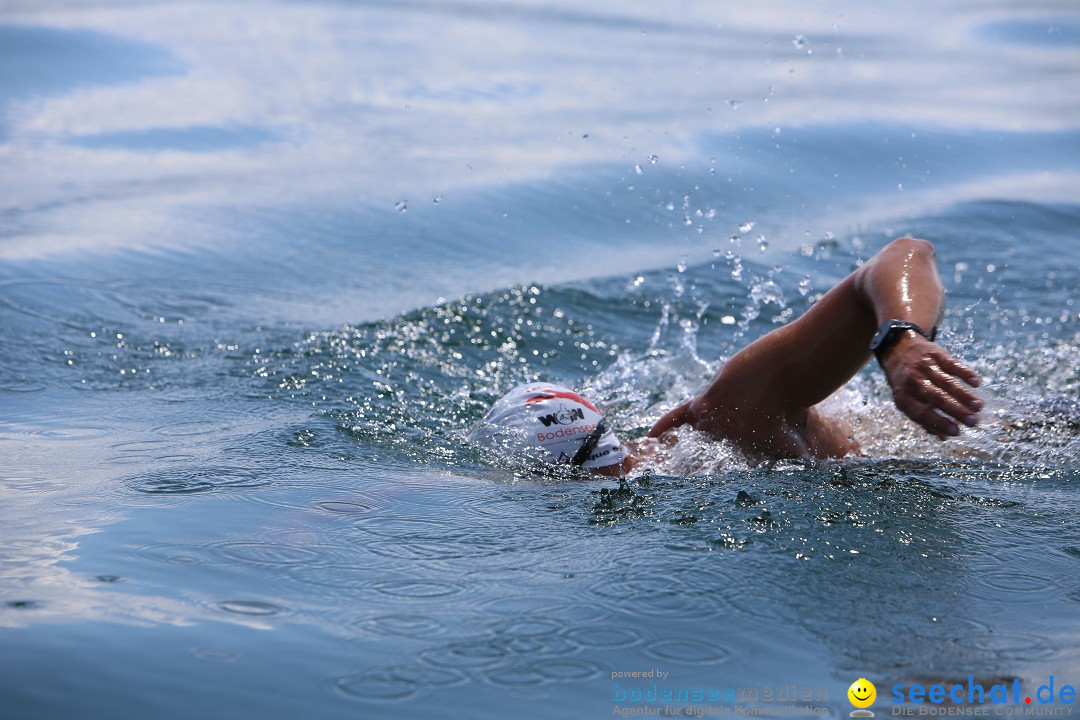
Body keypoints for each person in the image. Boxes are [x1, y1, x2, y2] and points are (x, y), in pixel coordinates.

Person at [469, 237, 984, 476]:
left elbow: (906, 253)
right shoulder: (673, 452)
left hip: (982, 440)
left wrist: (902, 340)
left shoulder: (730, 416)